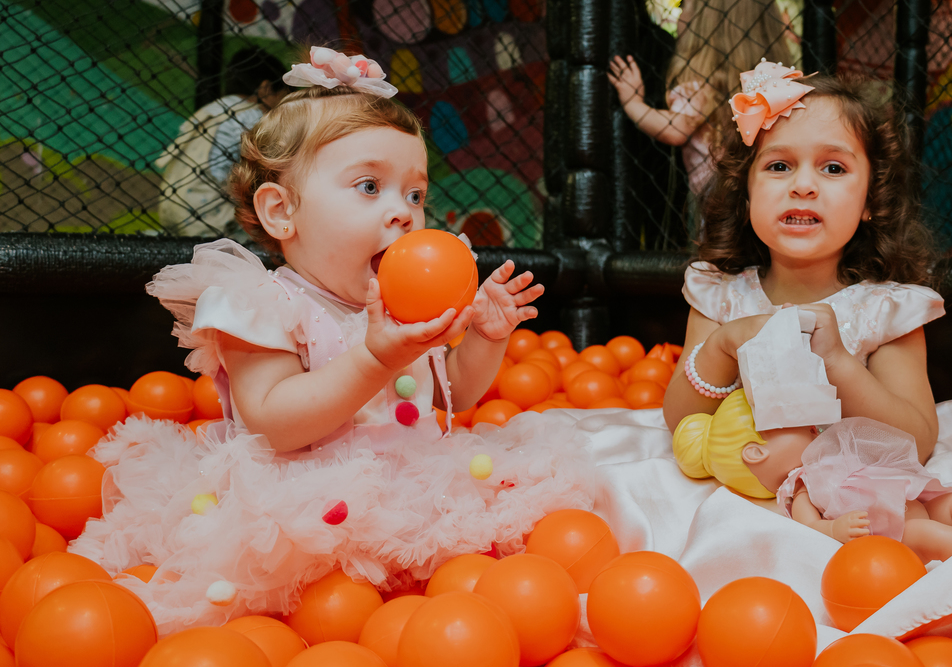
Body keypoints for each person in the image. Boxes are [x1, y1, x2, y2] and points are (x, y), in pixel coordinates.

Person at [74, 47, 593, 633]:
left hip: (416, 486)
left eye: (415, 194)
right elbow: (275, 418)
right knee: (324, 604)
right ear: (281, 210)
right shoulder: (264, 304)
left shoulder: (400, 304)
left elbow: (453, 399)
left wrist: (485, 338)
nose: (403, 212)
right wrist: (374, 357)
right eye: (370, 186)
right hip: (300, 509)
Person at [655, 60, 952, 561]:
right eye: (778, 165)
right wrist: (724, 347)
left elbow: (916, 440)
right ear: (746, 192)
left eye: (833, 168)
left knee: (924, 516)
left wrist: (838, 363)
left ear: (869, 202)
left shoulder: (884, 310)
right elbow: (680, 421)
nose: (804, 185)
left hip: (850, 504)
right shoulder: (720, 294)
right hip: (744, 498)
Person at [673, 391, 952, 562]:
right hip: (894, 531)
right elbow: (807, 527)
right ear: (756, 451)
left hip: (909, 499)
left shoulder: (826, 453)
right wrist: (834, 530)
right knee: (929, 534)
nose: (811, 426)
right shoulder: (798, 485)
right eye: (789, 423)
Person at [607, 0, 793, 199]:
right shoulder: (770, 86)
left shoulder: (702, 86)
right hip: (764, 193)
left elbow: (676, 130)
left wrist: (634, 103)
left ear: (701, 24)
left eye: (686, 5)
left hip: (717, 201)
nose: (680, 14)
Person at [155, 47, 289, 237]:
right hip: (209, 218)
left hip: (173, 209)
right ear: (266, 88)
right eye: (281, 98)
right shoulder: (253, 117)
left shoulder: (214, 109)